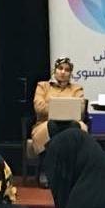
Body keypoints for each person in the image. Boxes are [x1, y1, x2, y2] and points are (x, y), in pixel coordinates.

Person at [32, 57, 87, 187]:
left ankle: (71, 174)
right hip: (46, 123)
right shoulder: (43, 86)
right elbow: (39, 107)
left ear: (70, 73)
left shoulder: (77, 89)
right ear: (55, 70)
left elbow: (80, 110)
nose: (63, 72)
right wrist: (59, 108)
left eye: (67, 70)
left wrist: (52, 106)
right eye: (60, 68)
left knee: (74, 126)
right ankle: (46, 170)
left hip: (71, 123)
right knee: (52, 126)